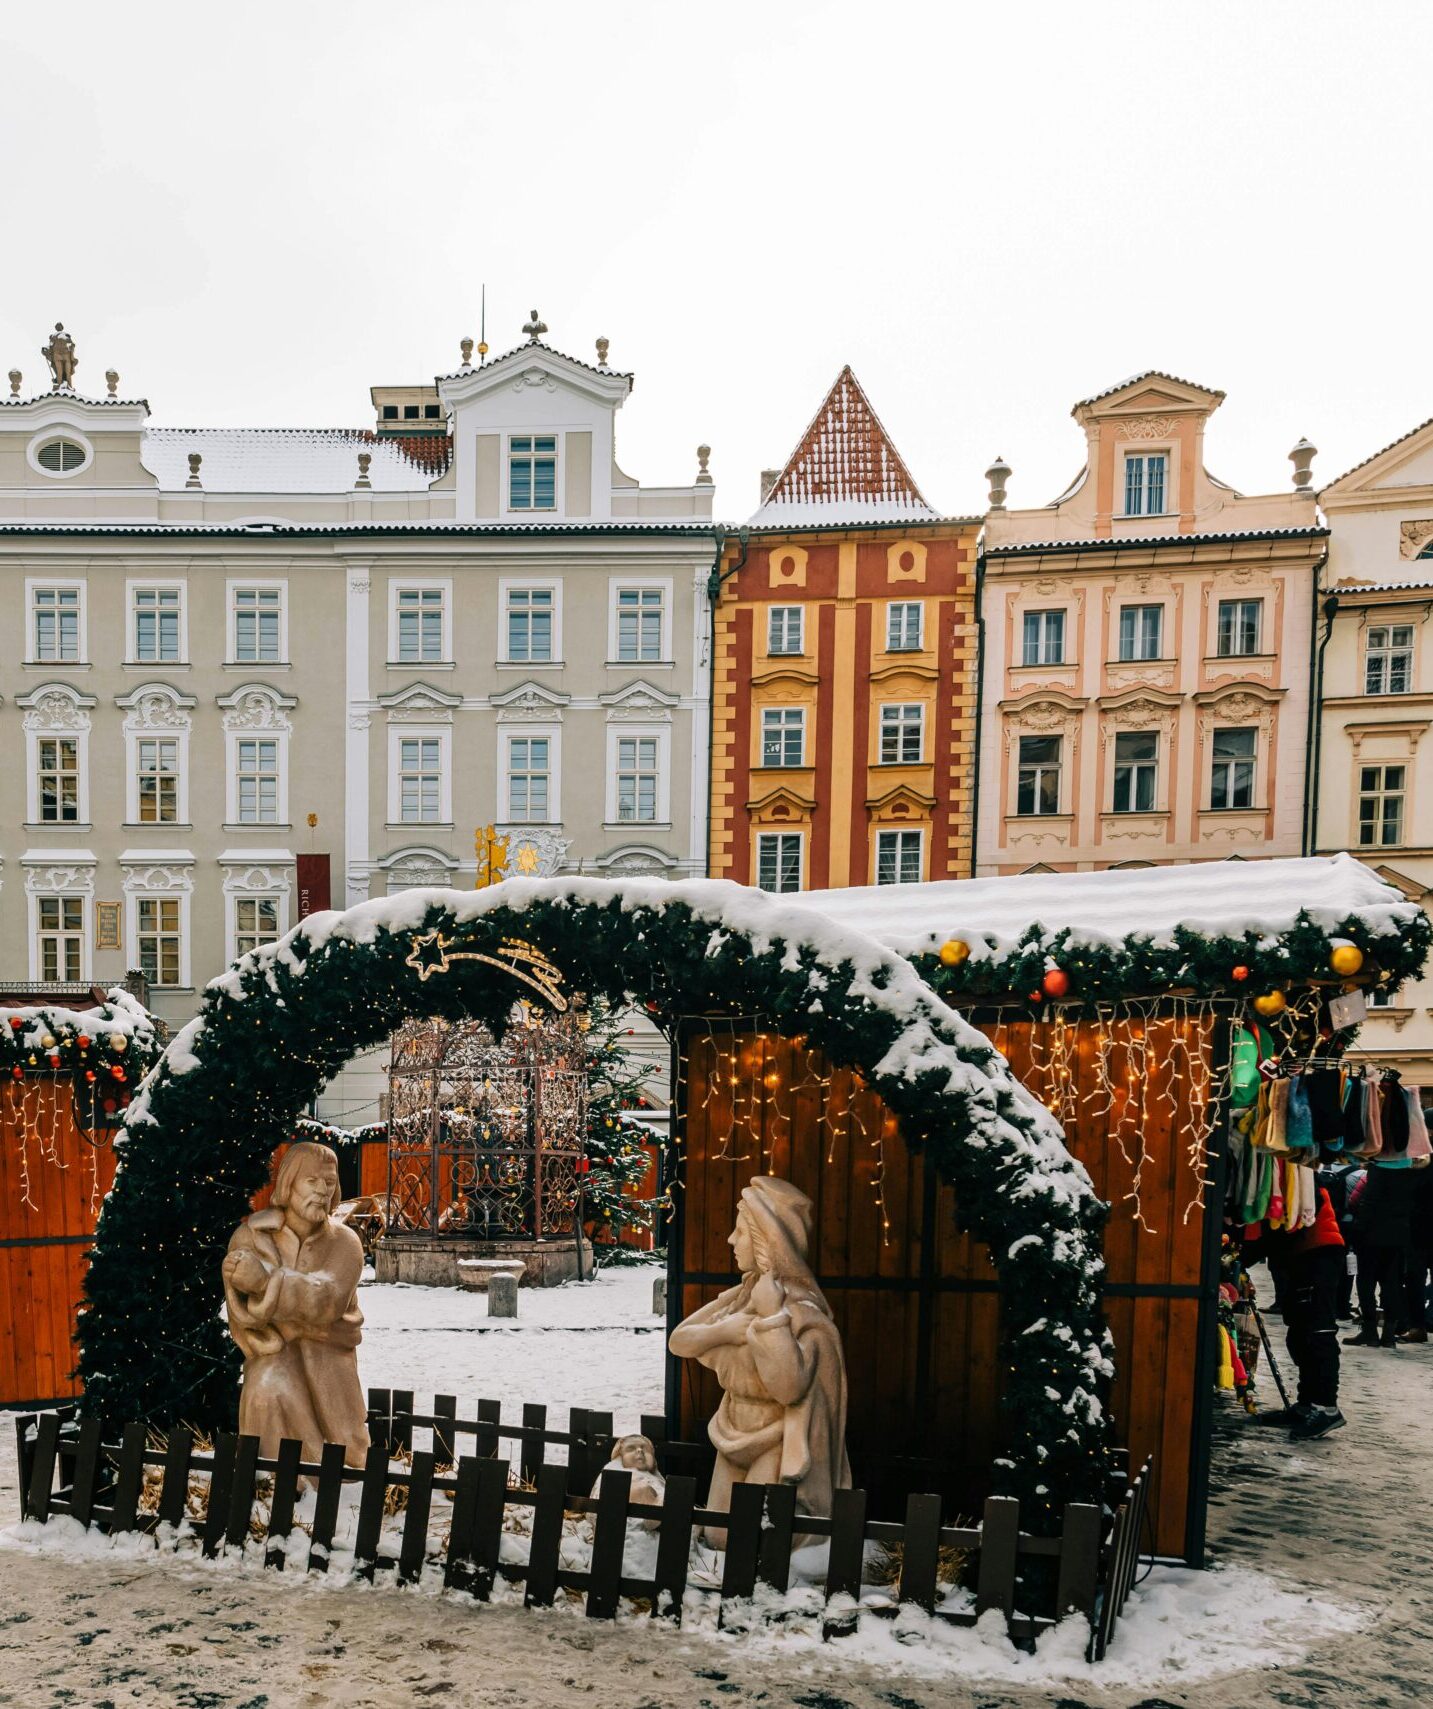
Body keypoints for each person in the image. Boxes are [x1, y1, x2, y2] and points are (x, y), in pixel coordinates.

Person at [668, 1175, 849, 1544]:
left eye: (740, 1232)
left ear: (768, 1241)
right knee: (719, 1536)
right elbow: (679, 1341)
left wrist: (771, 1321)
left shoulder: (801, 1313)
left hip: (777, 1437)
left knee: (752, 1538)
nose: (732, 1241)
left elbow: (789, 1389)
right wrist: (724, 1331)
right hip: (733, 1428)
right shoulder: (737, 1299)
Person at [222, 1140, 370, 1467]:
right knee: (268, 1387)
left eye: (329, 1183)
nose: (322, 1191)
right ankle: (276, 1487)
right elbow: (243, 1318)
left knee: (347, 1457)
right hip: (274, 1356)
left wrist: (266, 1284)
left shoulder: (345, 1244)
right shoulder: (251, 1238)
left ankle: (332, 1495)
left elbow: (328, 1303)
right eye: (312, 1181)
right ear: (289, 1183)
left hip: (330, 1367)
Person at [1273, 1185, 1346, 1438]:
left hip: (1319, 1252)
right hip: (1307, 1252)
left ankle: (1327, 1408)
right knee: (1301, 1331)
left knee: (1318, 1331)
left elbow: (1300, 1214)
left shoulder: (1301, 1170)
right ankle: (1307, 1405)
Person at [1344, 1160, 1415, 1348]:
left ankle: (1369, 1330)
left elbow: (1370, 1199)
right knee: (1392, 1282)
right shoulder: (1410, 1168)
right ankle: (1389, 1334)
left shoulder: (1380, 1168)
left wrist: (1358, 1228)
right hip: (1399, 1233)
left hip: (1372, 1234)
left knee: (1366, 1281)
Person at [1399, 1162, 1433, 1344]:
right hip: (1417, 1229)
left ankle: (1418, 1326)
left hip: (1417, 1228)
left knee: (1414, 1277)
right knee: (1414, 1277)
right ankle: (1417, 1326)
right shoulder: (1418, 1161)